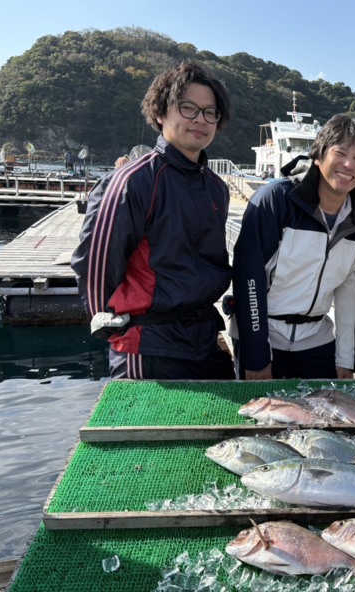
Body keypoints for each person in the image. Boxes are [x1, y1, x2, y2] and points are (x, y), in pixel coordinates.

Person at [71, 61, 234, 379]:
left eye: (209, 112)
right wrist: (111, 327)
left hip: (204, 337)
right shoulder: (133, 180)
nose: (200, 119)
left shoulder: (216, 189)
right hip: (148, 345)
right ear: (161, 114)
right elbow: (95, 265)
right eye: (188, 108)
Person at [231, 114, 355, 380]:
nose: (348, 164)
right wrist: (256, 355)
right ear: (318, 157)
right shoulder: (276, 201)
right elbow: (248, 279)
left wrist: (345, 359)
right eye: (340, 153)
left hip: (316, 342)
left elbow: (351, 294)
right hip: (264, 337)